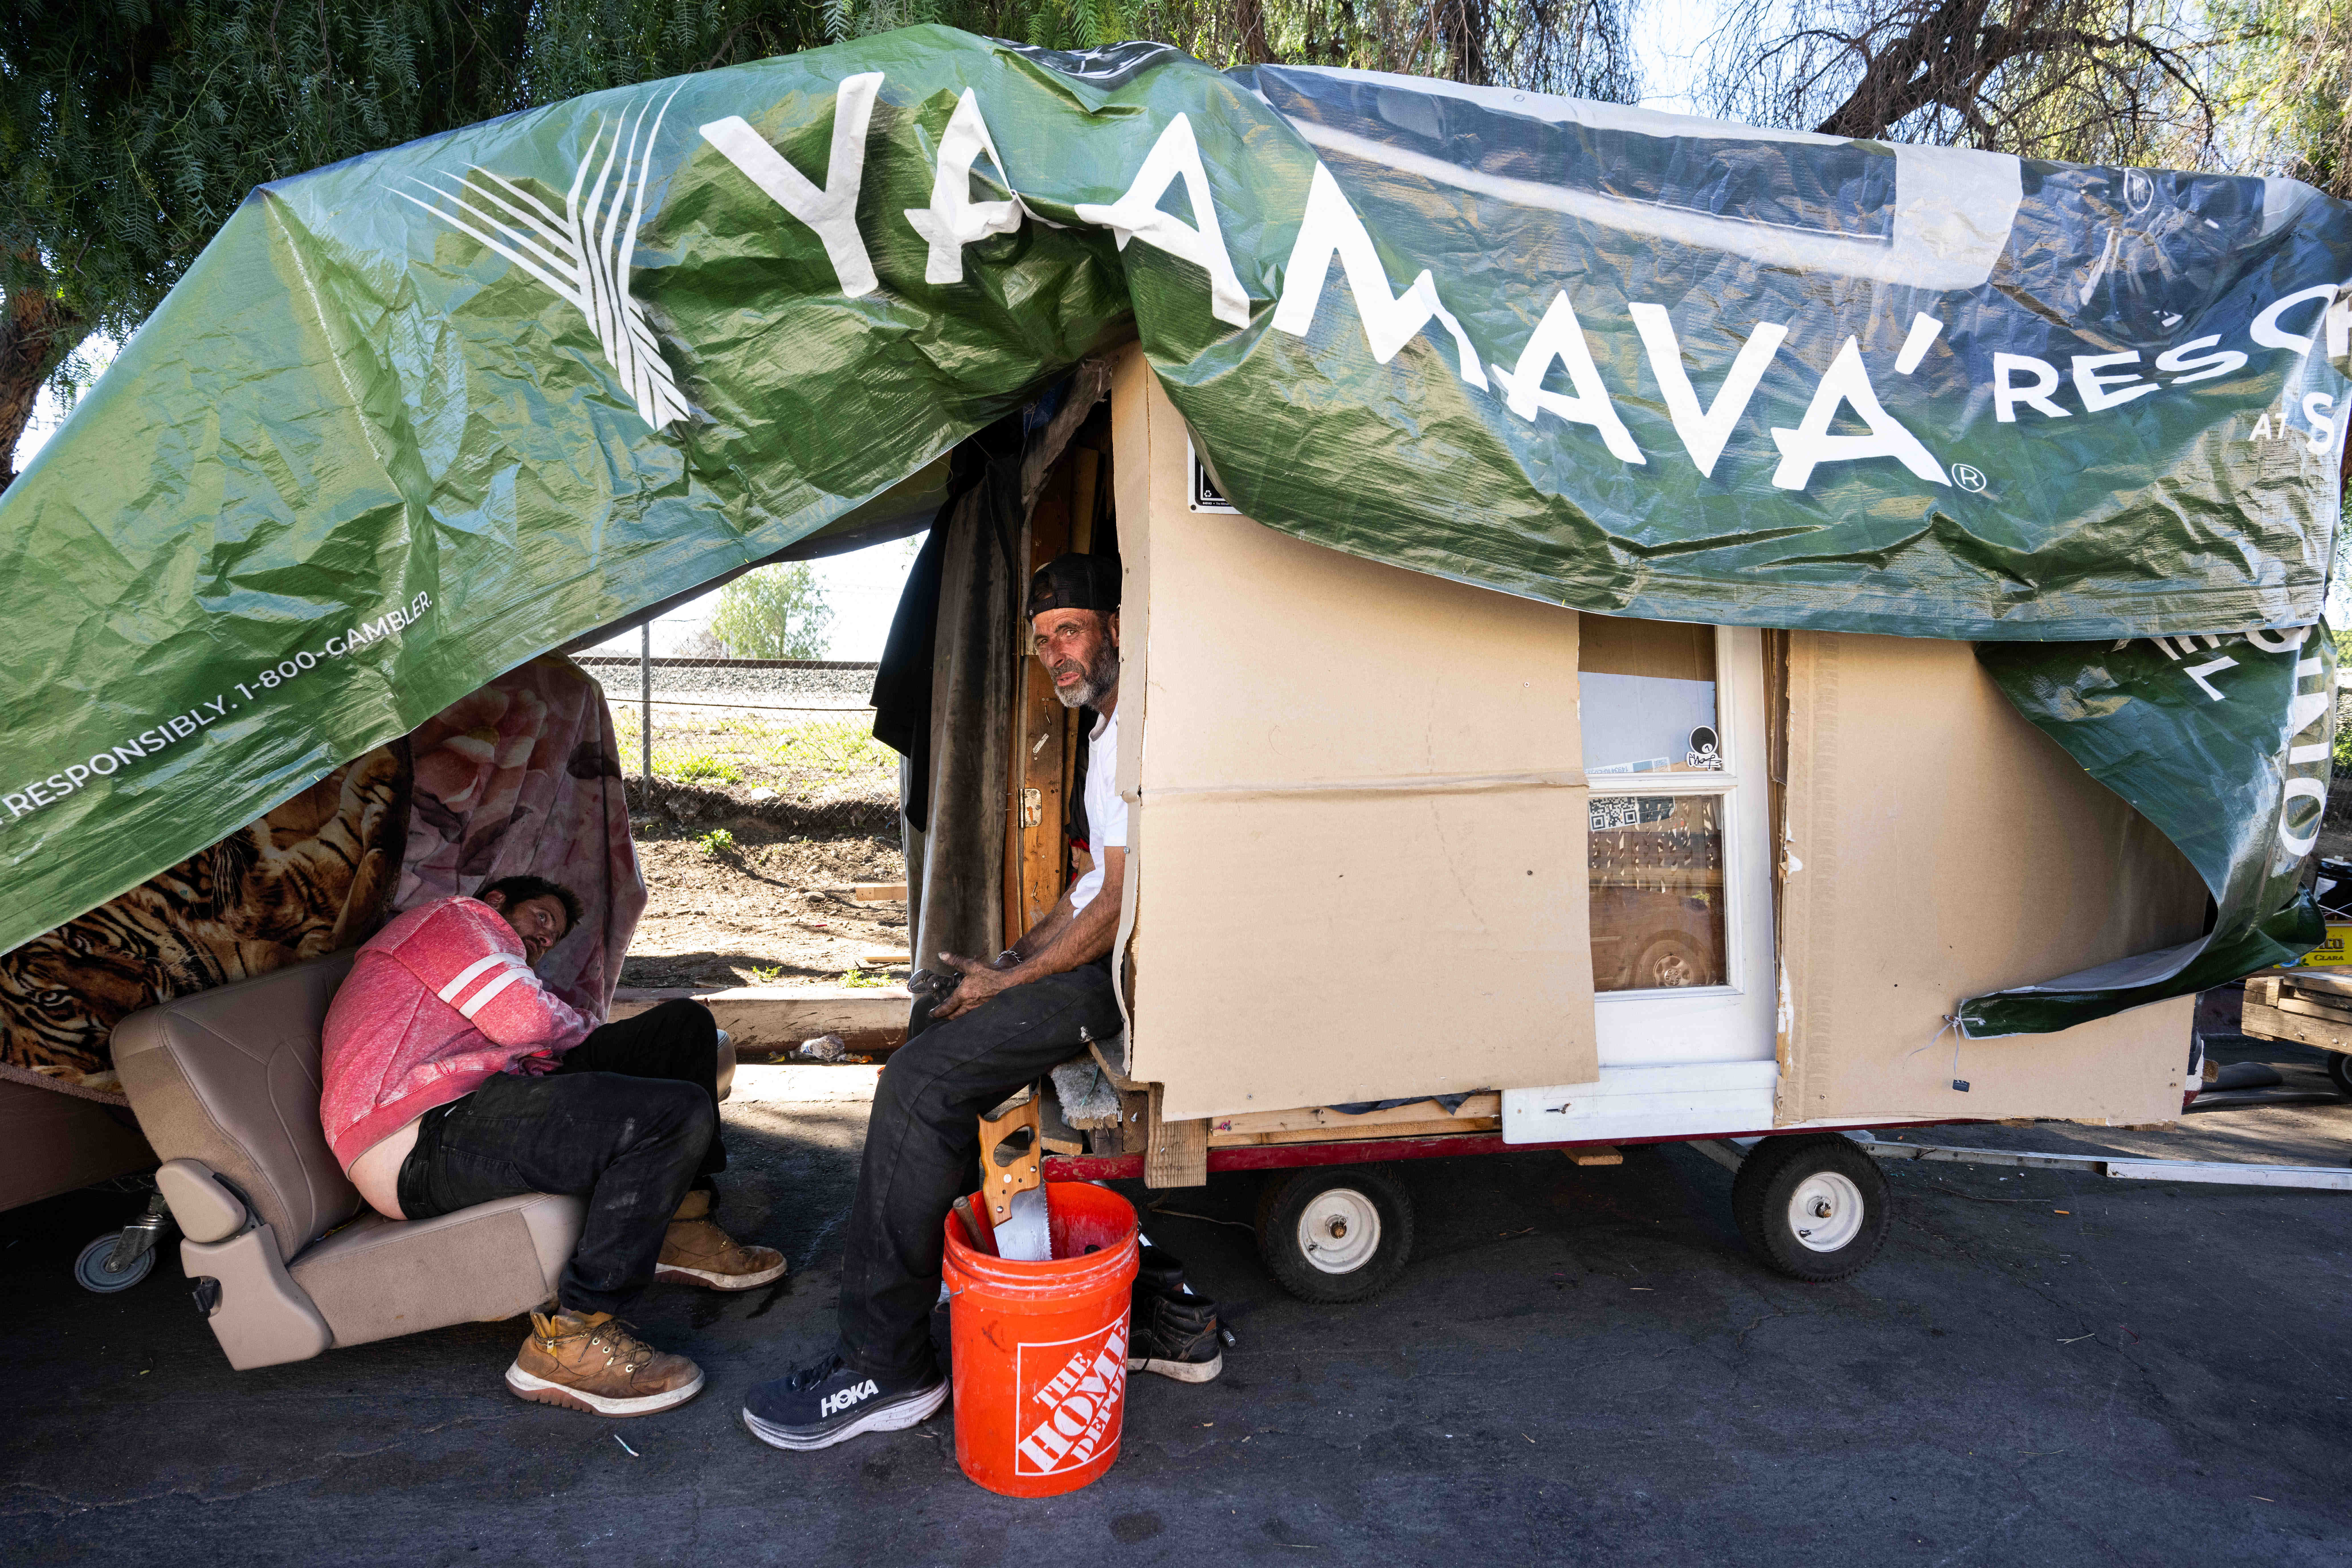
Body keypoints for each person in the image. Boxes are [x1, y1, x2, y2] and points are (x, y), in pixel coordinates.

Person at [742, 553, 1158, 1452]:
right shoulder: (1104, 730)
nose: (1056, 654)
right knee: (937, 1015)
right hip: (1090, 958)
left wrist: (1010, 984)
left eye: (1071, 631)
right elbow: (1086, 895)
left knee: (917, 1084)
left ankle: (887, 1368)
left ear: (1115, 629)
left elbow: (1119, 910)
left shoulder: (1142, 731)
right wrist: (1004, 960)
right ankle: (936, 1269)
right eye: (1044, 640)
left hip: (1119, 982)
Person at [321, 874, 783, 1418]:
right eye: (541, 918)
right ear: (496, 901)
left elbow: (542, 1030)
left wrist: (567, 1035)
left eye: (552, 936)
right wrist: (568, 1029)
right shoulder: (455, 919)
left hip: (475, 1106)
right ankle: (570, 1341)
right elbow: (531, 1018)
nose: (544, 939)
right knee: (669, 1113)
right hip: (414, 1137)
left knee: (681, 1027)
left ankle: (679, 1226)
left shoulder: (472, 968)